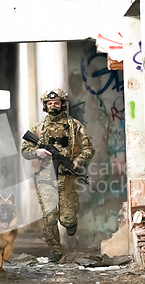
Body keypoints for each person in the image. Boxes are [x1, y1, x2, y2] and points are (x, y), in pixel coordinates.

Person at [21, 88, 95, 262]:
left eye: (56, 103)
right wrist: (37, 152)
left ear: (63, 104)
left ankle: (71, 222)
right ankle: (55, 251)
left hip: (66, 177)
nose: (53, 106)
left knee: (66, 219)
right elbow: (25, 150)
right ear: (45, 106)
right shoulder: (38, 128)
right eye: (49, 103)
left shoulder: (74, 125)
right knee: (50, 217)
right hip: (46, 177)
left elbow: (89, 148)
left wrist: (77, 162)